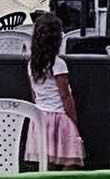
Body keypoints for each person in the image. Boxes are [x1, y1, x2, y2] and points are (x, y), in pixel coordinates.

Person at [26, 12, 84, 168]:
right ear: (58, 39)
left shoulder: (32, 64)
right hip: (59, 118)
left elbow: (34, 94)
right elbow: (65, 96)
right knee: (71, 162)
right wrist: (74, 122)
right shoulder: (58, 64)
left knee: (47, 163)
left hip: (39, 118)